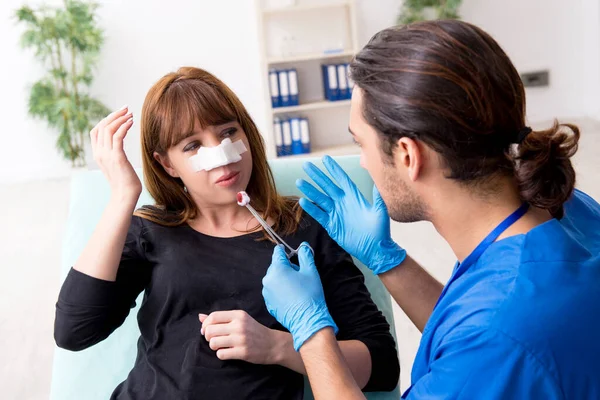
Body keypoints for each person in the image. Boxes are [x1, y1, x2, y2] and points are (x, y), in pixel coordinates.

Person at [262, 20, 600, 400]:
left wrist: (311, 333)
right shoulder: (564, 206)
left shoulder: (496, 335)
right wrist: (387, 260)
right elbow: (467, 330)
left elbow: (488, 342)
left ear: (408, 155)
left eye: (362, 144)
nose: (364, 163)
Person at [53, 67, 400, 399]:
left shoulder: (301, 227)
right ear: (167, 164)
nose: (221, 156)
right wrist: (123, 196)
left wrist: (277, 347)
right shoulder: (152, 231)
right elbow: (74, 331)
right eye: (192, 146)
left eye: (228, 132)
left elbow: (383, 364)